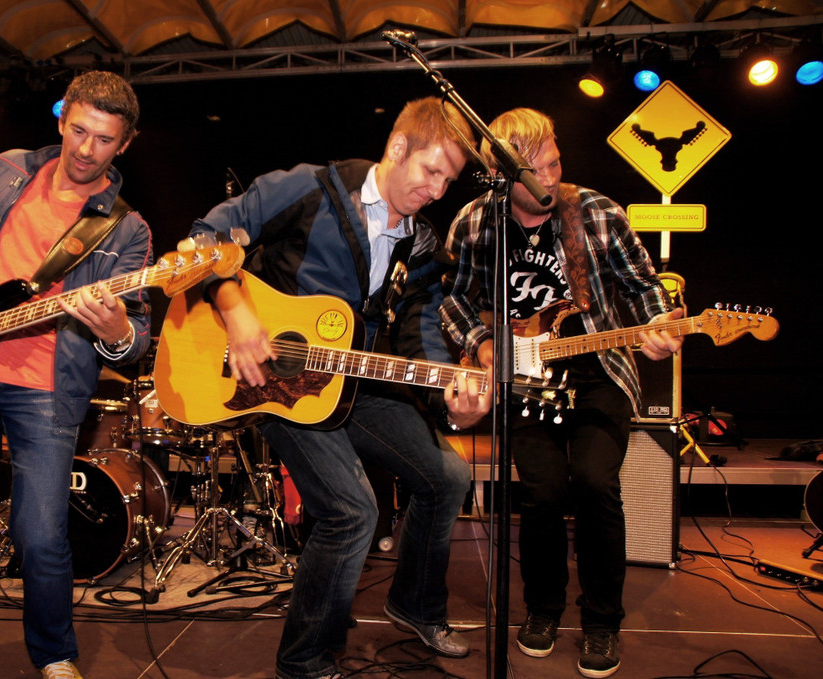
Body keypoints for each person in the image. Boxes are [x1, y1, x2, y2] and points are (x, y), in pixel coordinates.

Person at [190, 96, 492, 679]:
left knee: (449, 476)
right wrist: (235, 309)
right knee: (353, 512)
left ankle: (415, 605)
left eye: (448, 181)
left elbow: (421, 332)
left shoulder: (420, 244)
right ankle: (303, 660)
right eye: (431, 171)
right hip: (278, 382)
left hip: (353, 379)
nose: (437, 190)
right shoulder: (311, 189)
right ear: (398, 147)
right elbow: (206, 236)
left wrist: (451, 397)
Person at [0, 71, 151, 679]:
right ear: (62, 117)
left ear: (125, 144)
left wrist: (117, 329)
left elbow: (134, 341)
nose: (86, 149)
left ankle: (54, 654)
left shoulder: (128, 229)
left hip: (45, 388)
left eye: (104, 140)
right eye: (79, 130)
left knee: (40, 538)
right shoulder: (7, 168)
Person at [440, 107, 683, 678]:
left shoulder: (595, 212)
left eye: (556, 162)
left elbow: (644, 285)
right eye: (540, 169)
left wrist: (660, 324)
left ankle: (602, 622)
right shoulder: (474, 224)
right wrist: (484, 346)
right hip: (524, 377)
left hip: (598, 368)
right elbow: (452, 298)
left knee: (596, 483)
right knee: (542, 494)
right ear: (505, 176)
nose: (553, 176)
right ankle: (543, 610)